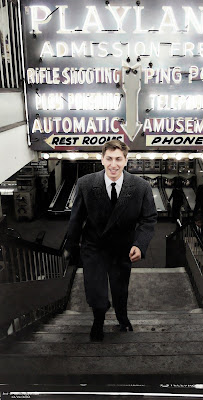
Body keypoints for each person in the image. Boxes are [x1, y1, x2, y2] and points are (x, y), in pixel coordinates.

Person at [65, 140, 157, 341]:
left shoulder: (141, 187)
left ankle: (122, 317)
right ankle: (98, 322)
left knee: (120, 288)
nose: (113, 164)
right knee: (96, 289)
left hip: (123, 248)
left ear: (126, 160)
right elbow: (76, 219)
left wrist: (140, 244)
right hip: (94, 246)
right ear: (101, 159)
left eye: (118, 159)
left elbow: (148, 218)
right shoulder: (86, 184)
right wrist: (71, 248)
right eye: (109, 159)